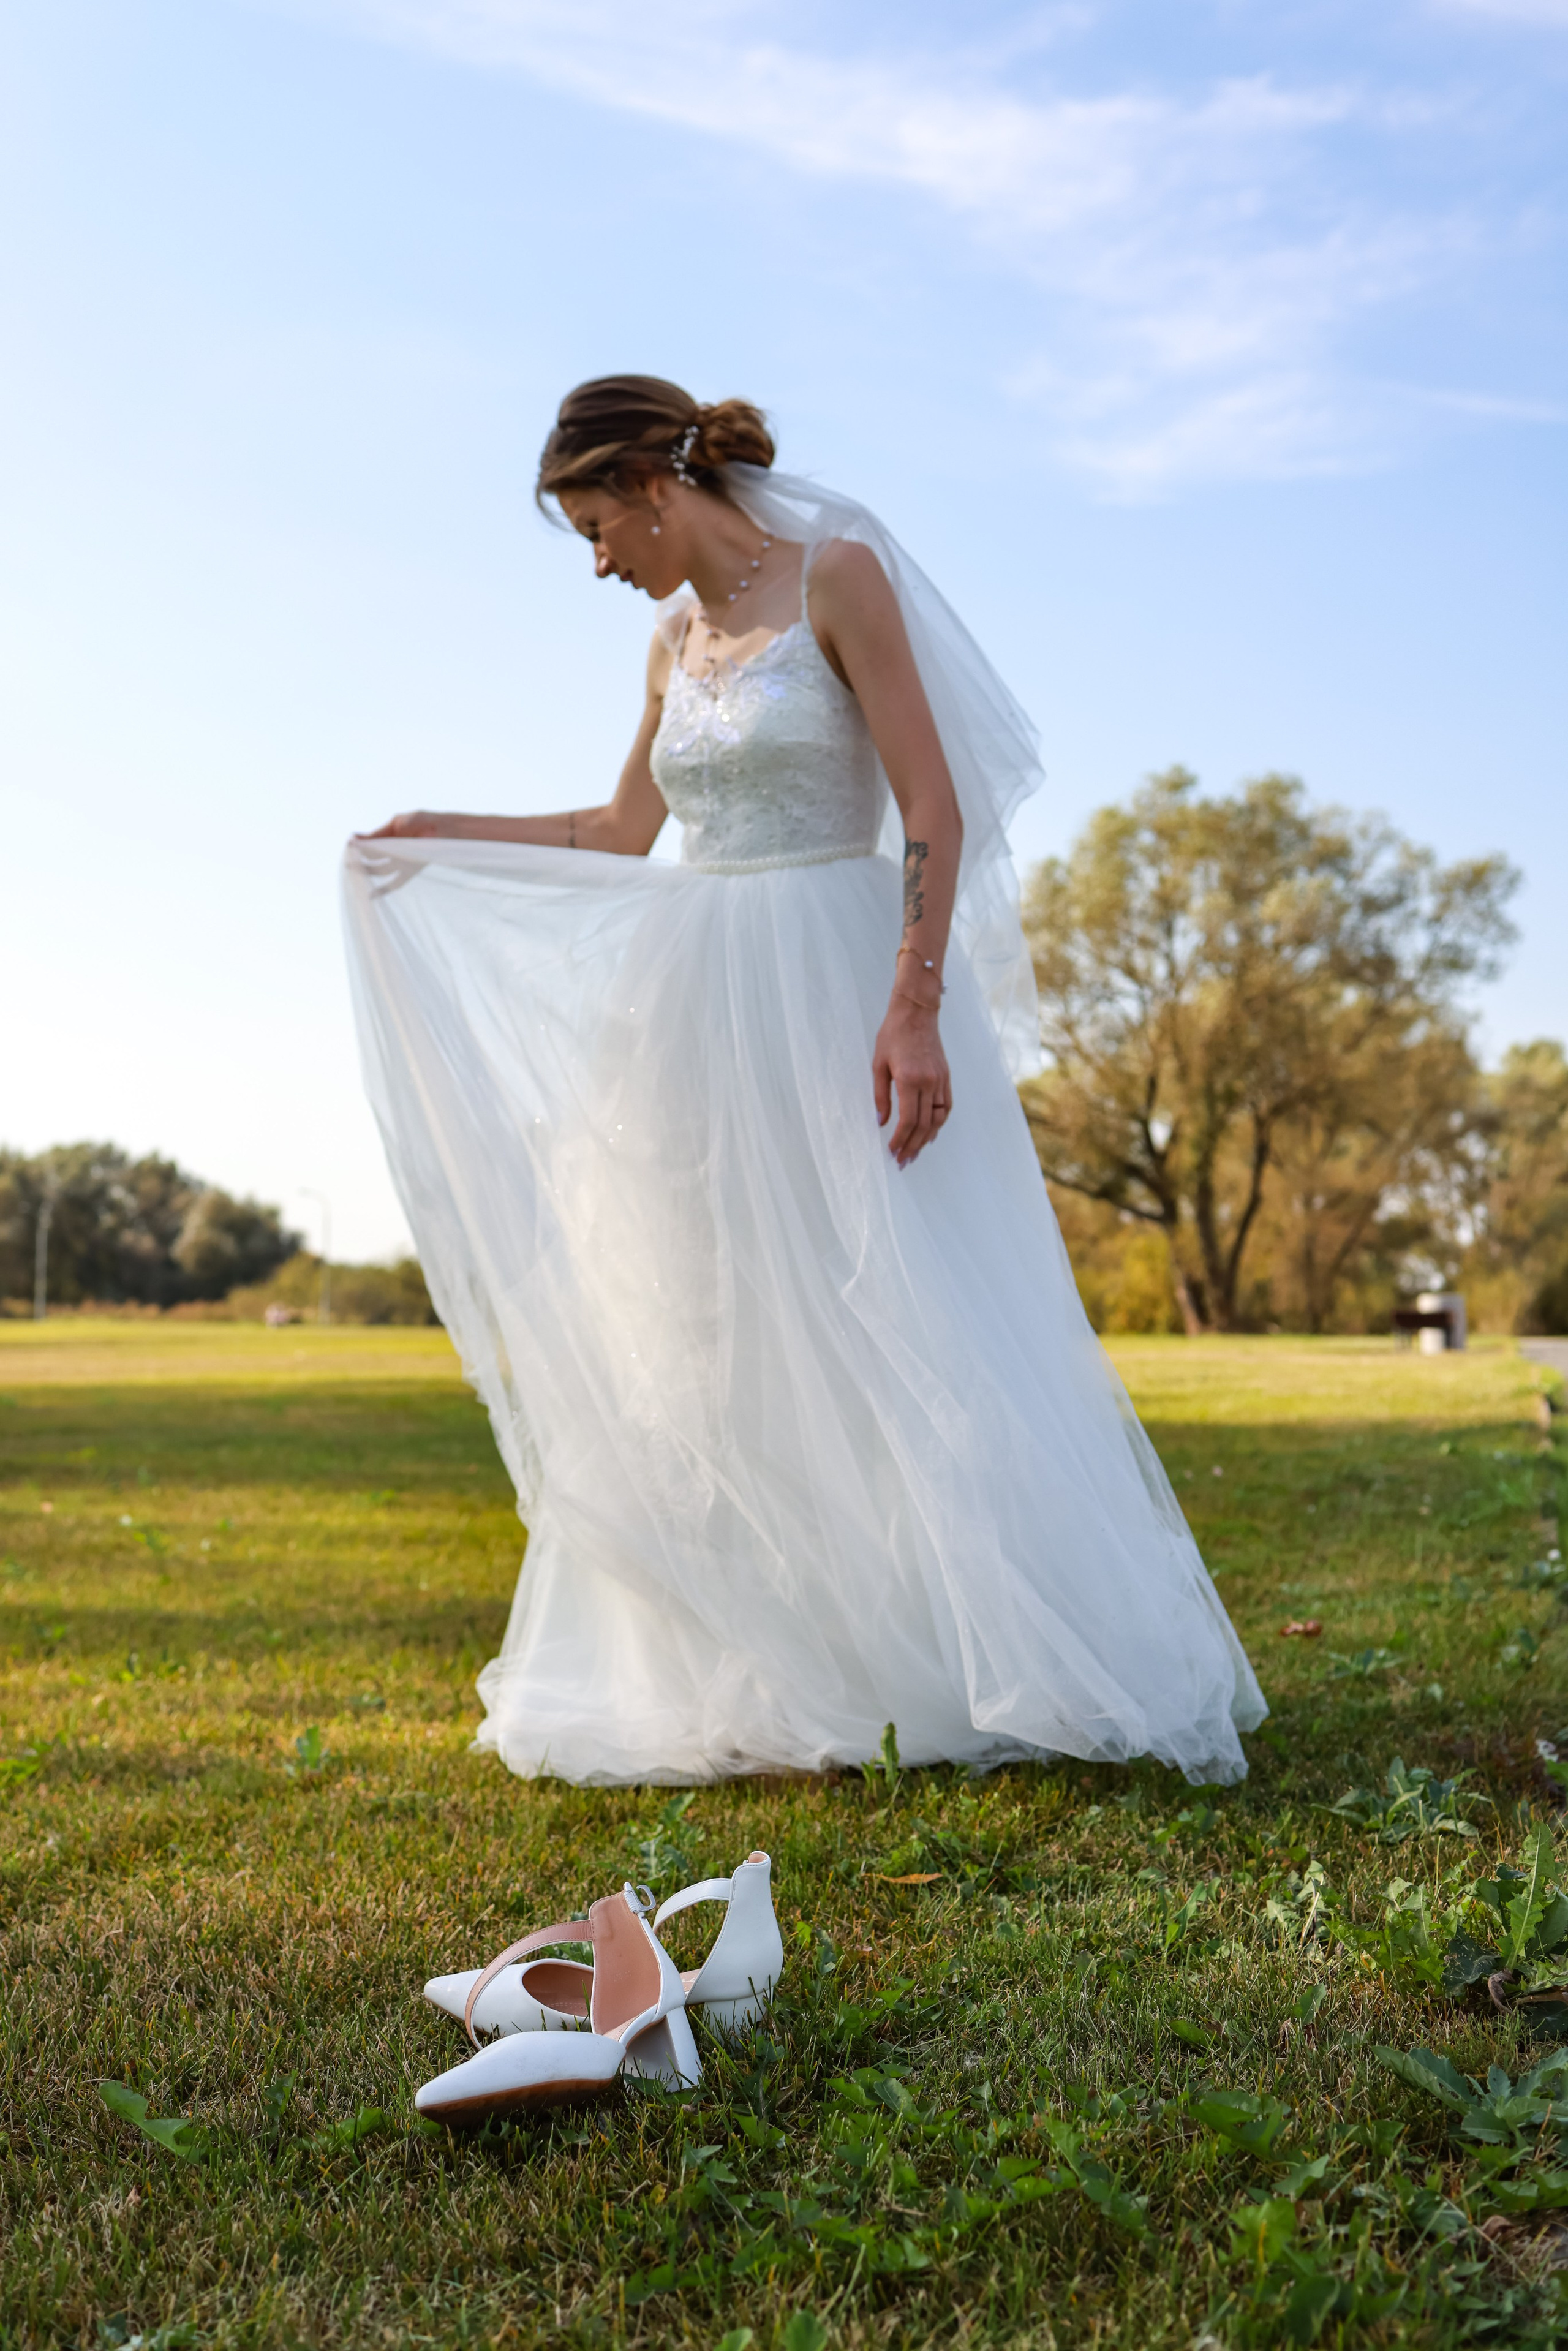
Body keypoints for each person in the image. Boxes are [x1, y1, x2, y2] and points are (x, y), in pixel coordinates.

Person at [345, 374, 1266, 1788]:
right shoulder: (668, 640)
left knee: (899, 1305)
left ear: (654, 483)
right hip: (697, 1008)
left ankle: (959, 1652)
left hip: (836, 980)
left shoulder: (836, 578)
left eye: (598, 525)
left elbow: (934, 802)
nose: (598, 560)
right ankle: (773, 1666)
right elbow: (617, 827)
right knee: (714, 1333)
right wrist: (441, 834)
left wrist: (912, 1008)